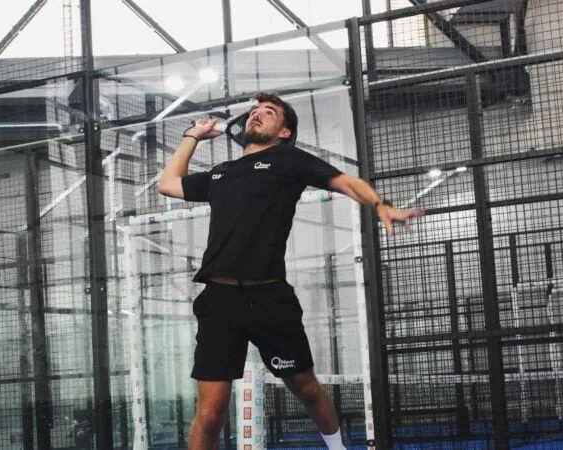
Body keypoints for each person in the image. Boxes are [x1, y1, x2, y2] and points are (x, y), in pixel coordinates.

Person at [157, 91, 424, 450]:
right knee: (209, 414)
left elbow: (346, 181)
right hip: (219, 302)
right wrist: (193, 135)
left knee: (307, 390)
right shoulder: (222, 173)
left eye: (268, 112)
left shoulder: (289, 160)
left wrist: (380, 204)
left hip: (269, 299)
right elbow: (168, 184)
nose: (256, 114)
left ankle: (338, 448)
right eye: (254, 111)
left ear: (285, 132)